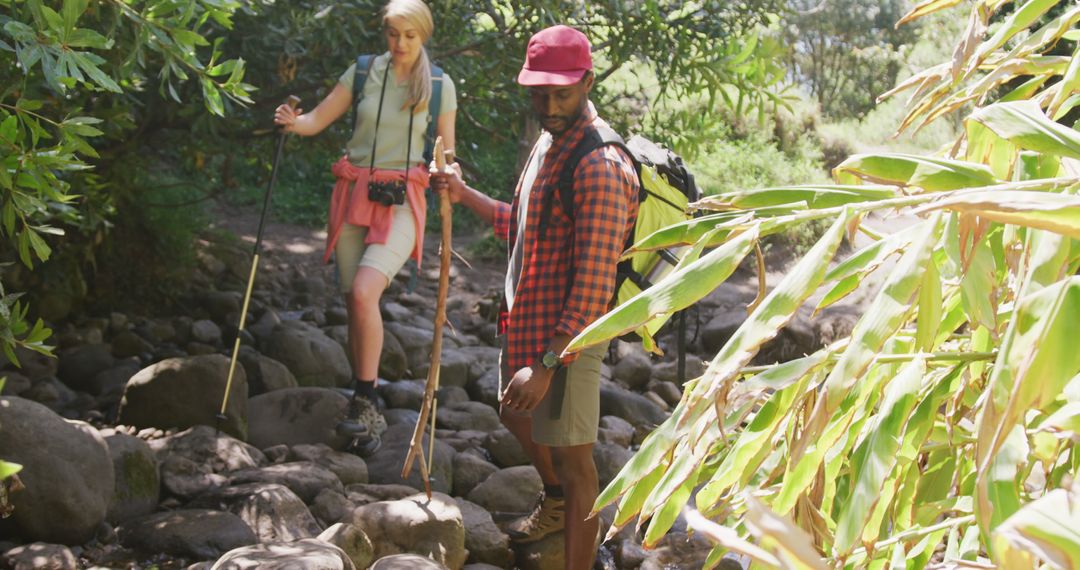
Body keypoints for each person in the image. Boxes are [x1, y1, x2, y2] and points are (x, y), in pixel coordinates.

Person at [431, 25, 639, 570]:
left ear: (587, 82)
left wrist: (547, 365)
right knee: (514, 411)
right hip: (530, 320)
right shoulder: (551, 141)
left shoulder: (600, 166)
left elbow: (594, 284)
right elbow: (526, 226)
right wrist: (463, 194)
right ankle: (558, 502)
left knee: (576, 463)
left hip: (570, 336)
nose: (548, 106)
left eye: (561, 94)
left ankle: (577, 551)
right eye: (539, 93)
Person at [273, 0, 456, 456]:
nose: (400, 44)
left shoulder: (438, 85)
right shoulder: (362, 72)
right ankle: (361, 402)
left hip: (402, 203)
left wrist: (450, 176)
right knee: (354, 301)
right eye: (393, 34)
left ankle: (366, 401)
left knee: (362, 292)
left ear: (423, 35)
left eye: (409, 36)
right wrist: (294, 123)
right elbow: (317, 119)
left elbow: (447, 155)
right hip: (354, 195)